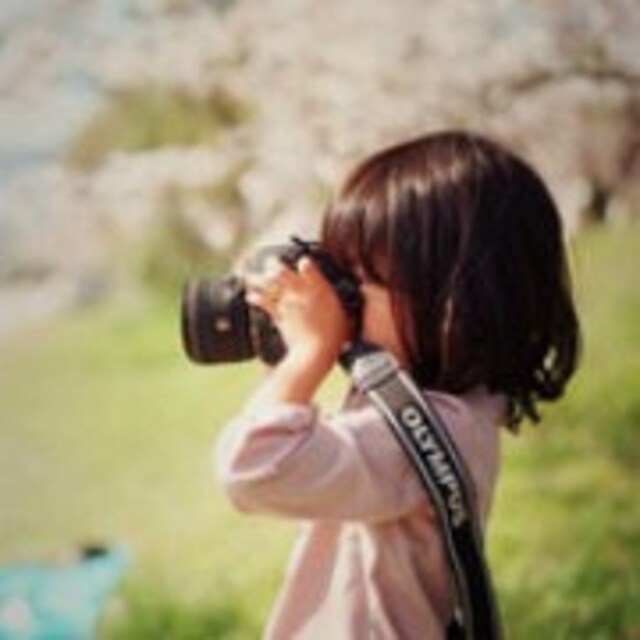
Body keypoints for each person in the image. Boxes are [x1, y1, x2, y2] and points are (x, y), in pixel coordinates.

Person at [214, 130, 581, 639]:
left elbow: (251, 469)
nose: (344, 298)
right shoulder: (455, 405)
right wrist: (286, 341)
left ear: (453, 302)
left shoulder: (427, 430)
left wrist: (310, 351)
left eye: (362, 280)